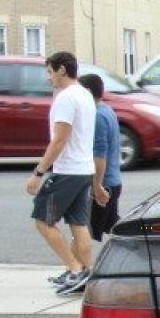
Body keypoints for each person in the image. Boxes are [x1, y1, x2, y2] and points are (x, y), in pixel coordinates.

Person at [25, 51, 96, 296]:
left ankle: (76, 269)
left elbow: (59, 140)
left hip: (67, 170)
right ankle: (84, 272)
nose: (48, 78)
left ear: (62, 70)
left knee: (43, 221)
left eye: (50, 71)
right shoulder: (85, 95)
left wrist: (38, 172)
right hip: (84, 169)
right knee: (79, 224)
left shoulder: (66, 98)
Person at [78, 73, 121, 242]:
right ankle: (145, 235)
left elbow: (99, 156)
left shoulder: (97, 116)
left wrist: (97, 187)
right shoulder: (106, 110)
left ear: (88, 92)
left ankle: (80, 267)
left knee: (83, 232)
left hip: (105, 185)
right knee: (115, 228)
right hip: (113, 183)